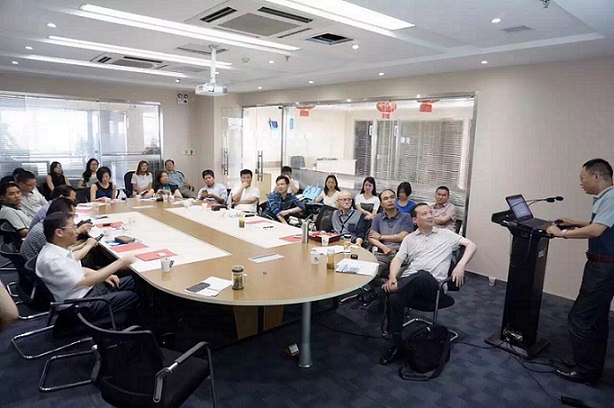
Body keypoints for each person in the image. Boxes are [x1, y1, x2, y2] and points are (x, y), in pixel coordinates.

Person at [379, 203, 477, 365]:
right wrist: (391, 277)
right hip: (409, 285)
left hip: (433, 288)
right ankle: (397, 345)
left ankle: (382, 292)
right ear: (415, 220)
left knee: (423, 275)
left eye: (430, 212)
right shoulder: (410, 239)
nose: (430, 216)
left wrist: (460, 265)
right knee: (395, 299)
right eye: (424, 214)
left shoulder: (446, 234)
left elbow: (471, 245)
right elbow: (397, 260)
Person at [546, 158, 614, 385]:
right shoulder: (606, 197)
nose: (581, 183)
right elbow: (603, 225)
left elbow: (596, 231)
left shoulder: (611, 197)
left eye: (582, 178)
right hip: (603, 265)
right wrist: (574, 222)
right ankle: (590, 365)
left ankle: (586, 371)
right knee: (596, 318)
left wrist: (562, 233)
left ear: (596, 176)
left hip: (604, 268)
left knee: (580, 318)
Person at [36, 212, 139, 322]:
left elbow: (77, 270)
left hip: (85, 292)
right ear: (59, 233)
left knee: (134, 281)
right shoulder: (51, 260)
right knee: (133, 296)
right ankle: (138, 327)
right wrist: (121, 262)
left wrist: (103, 275)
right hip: (80, 305)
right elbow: (85, 281)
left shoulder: (57, 250)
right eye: (73, 227)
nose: (77, 231)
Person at [21, 197, 93, 262]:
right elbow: (65, 257)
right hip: (37, 267)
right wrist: (87, 245)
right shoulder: (43, 232)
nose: (72, 219)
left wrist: (84, 244)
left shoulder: (48, 224)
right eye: (71, 216)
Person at [368, 189, 413, 280]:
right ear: (381, 204)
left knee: (400, 278)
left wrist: (380, 237)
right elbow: (371, 237)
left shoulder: (406, 216)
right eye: (386, 198)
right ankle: (381, 288)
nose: (390, 200)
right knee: (369, 274)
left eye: (392, 197)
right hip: (382, 254)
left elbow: (402, 237)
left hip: (400, 254)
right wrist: (384, 247)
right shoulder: (378, 217)